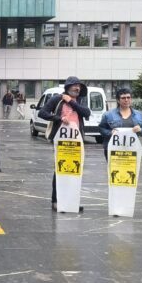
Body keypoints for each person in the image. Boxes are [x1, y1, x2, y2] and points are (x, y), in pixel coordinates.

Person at [38, 76, 91, 212]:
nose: (77, 88)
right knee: (60, 170)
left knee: (75, 170)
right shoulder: (57, 99)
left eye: (79, 86)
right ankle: (56, 200)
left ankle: (72, 201)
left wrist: (72, 103)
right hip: (61, 141)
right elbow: (42, 113)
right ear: (67, 87)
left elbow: (86, 113)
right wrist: (59, 118)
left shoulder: (79, 101)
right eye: (74, 86)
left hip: (76, 141)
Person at [99, 88, 142, 161]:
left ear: (131, 99)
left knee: (129, 171)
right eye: (123, 98)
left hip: (132, 149)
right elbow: (101, 129)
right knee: (115, 171)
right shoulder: (108, 114)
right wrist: (110, 133)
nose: (126, 100)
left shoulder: (138, 114)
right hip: (113, 149)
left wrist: (140, 129)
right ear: (118, 100)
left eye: (128, 97)